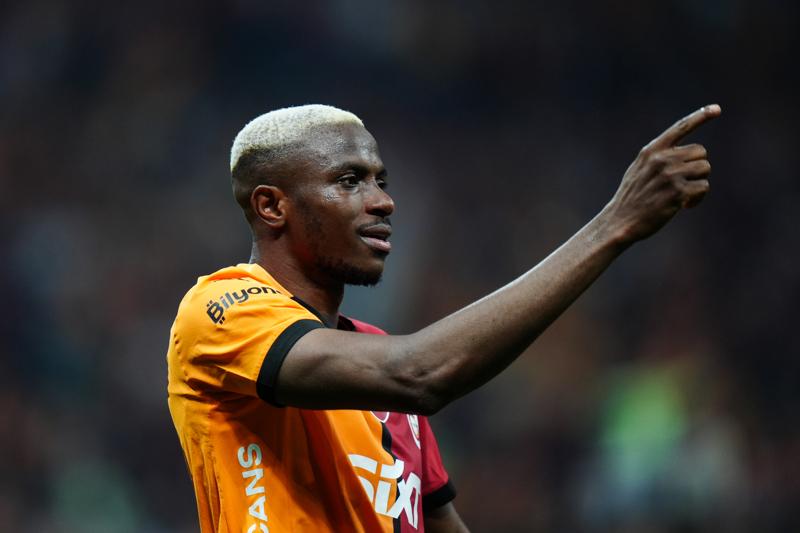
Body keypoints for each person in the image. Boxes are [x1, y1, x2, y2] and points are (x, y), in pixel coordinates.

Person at [167, 103, 720, 532]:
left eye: (380, 180)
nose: (383, 201)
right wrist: (613, 226)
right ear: (271, 206)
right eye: (349, 181)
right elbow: (420, 374)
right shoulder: (221, 312)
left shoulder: (379, 377)